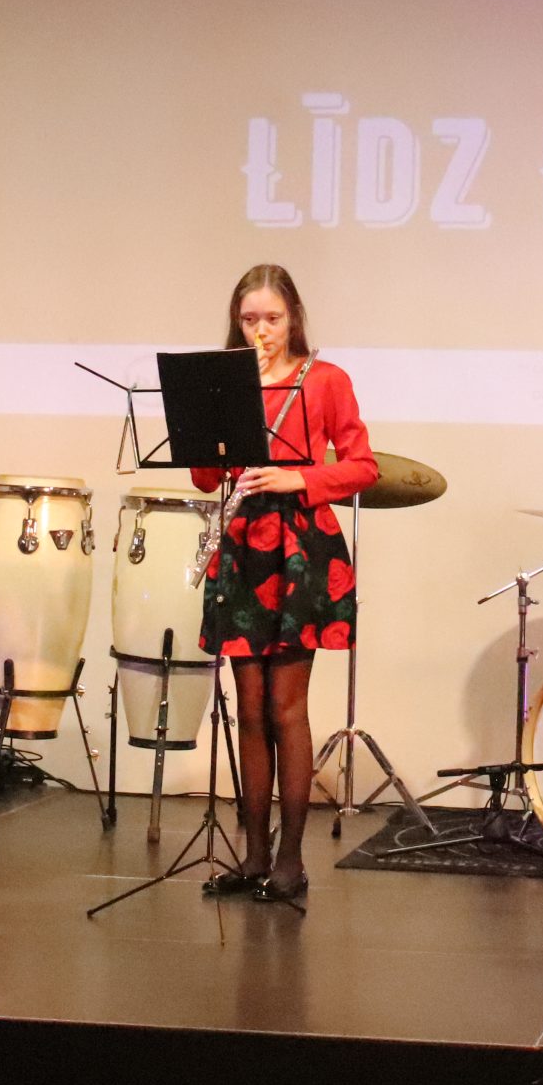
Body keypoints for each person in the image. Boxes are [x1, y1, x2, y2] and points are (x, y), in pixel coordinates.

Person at [189, 264, 378, 904]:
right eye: (249, 319)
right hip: (244, 544)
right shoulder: (229, 383)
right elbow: (205, 479)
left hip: (299, 547)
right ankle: (254, 856)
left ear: (293, 316)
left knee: (285, 708)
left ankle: (292, 860)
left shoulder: (324, 379)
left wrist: (301, 477)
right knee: (248, 709)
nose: (261, 330)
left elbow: (362, 466)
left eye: (272, 318)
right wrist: (209, 425)